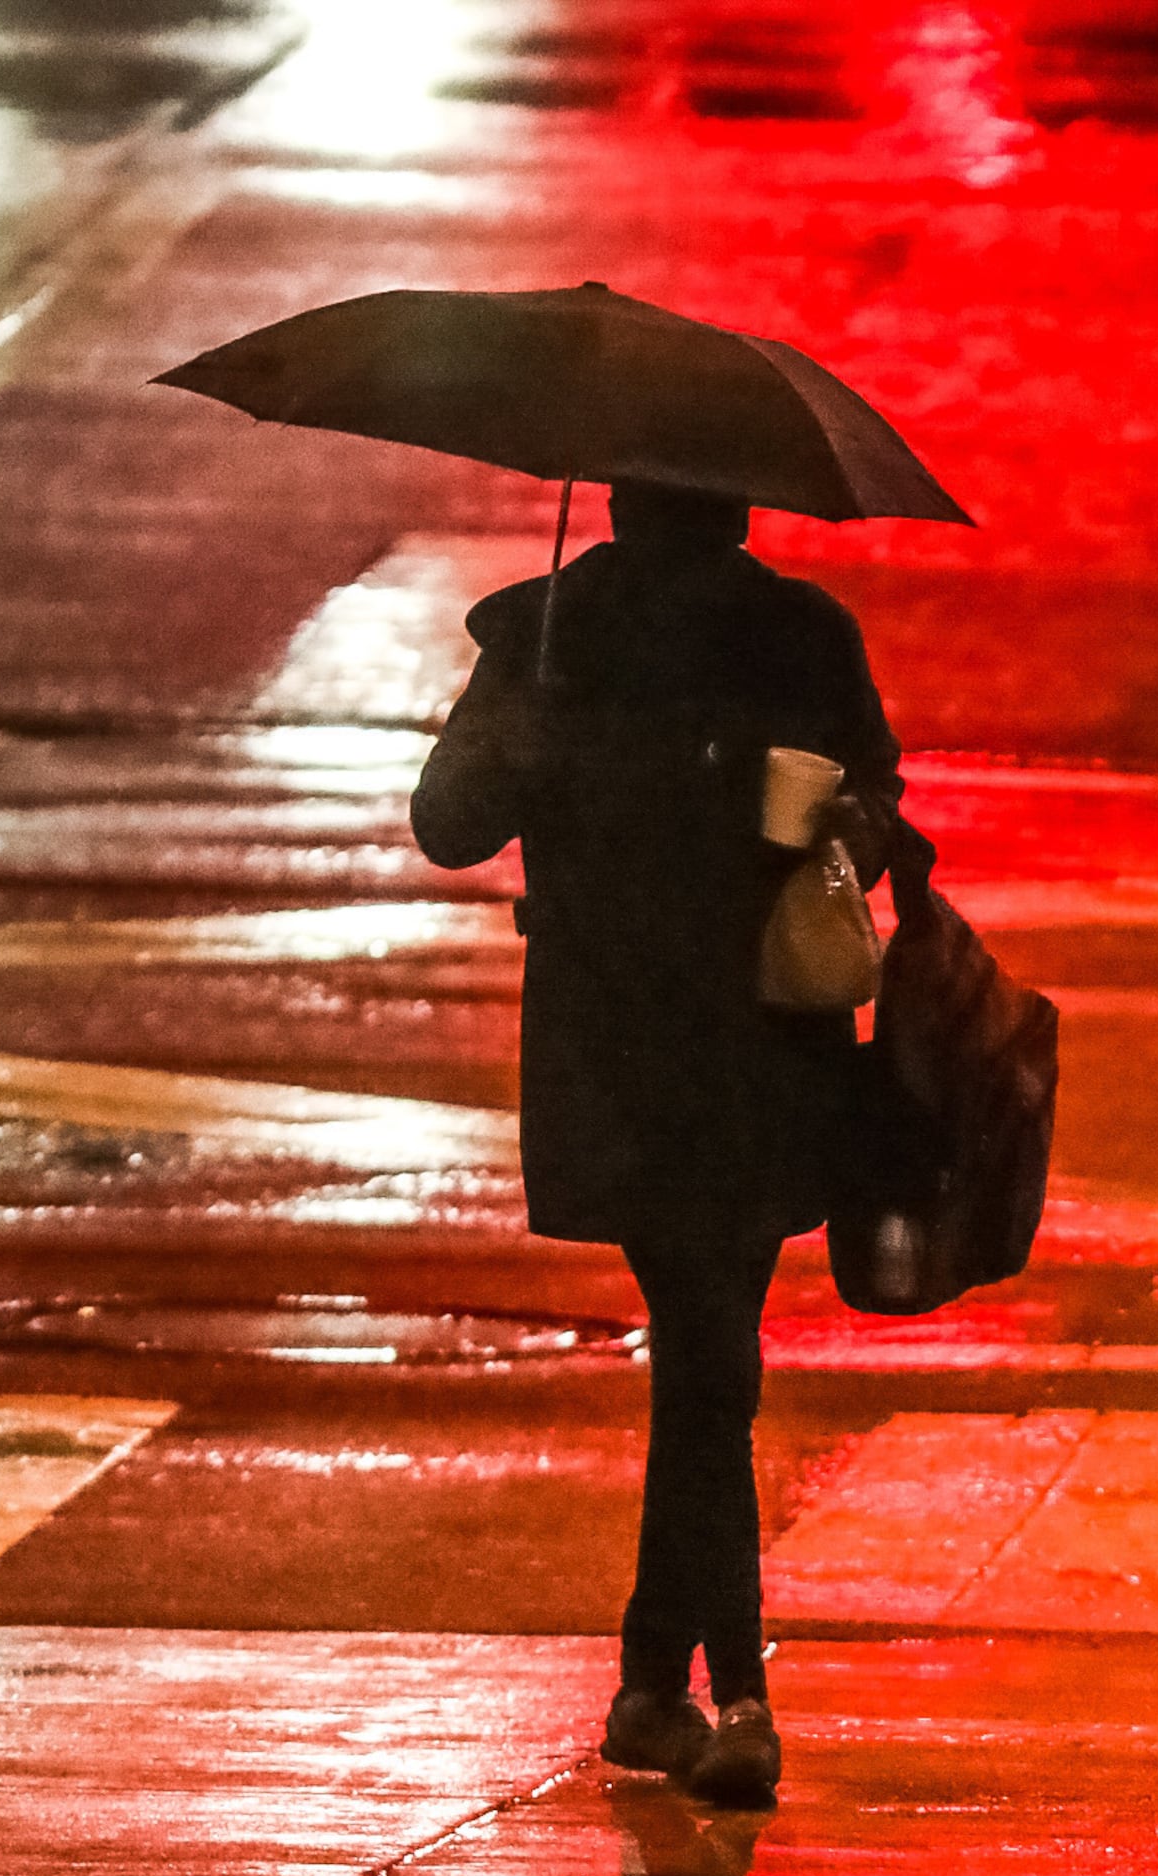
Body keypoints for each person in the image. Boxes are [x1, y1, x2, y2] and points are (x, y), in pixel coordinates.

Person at [411, 478, 915, 1809]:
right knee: (711, 1356)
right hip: (748, 1048)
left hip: (620, 1048)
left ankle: (656, 1682)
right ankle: (727, 1691)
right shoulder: (789, 637)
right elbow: (882, 805)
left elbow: (446, 820)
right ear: (742, 506)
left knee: (706, 1356)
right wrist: (830, 828)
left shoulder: (551, 636)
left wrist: (523, 742)